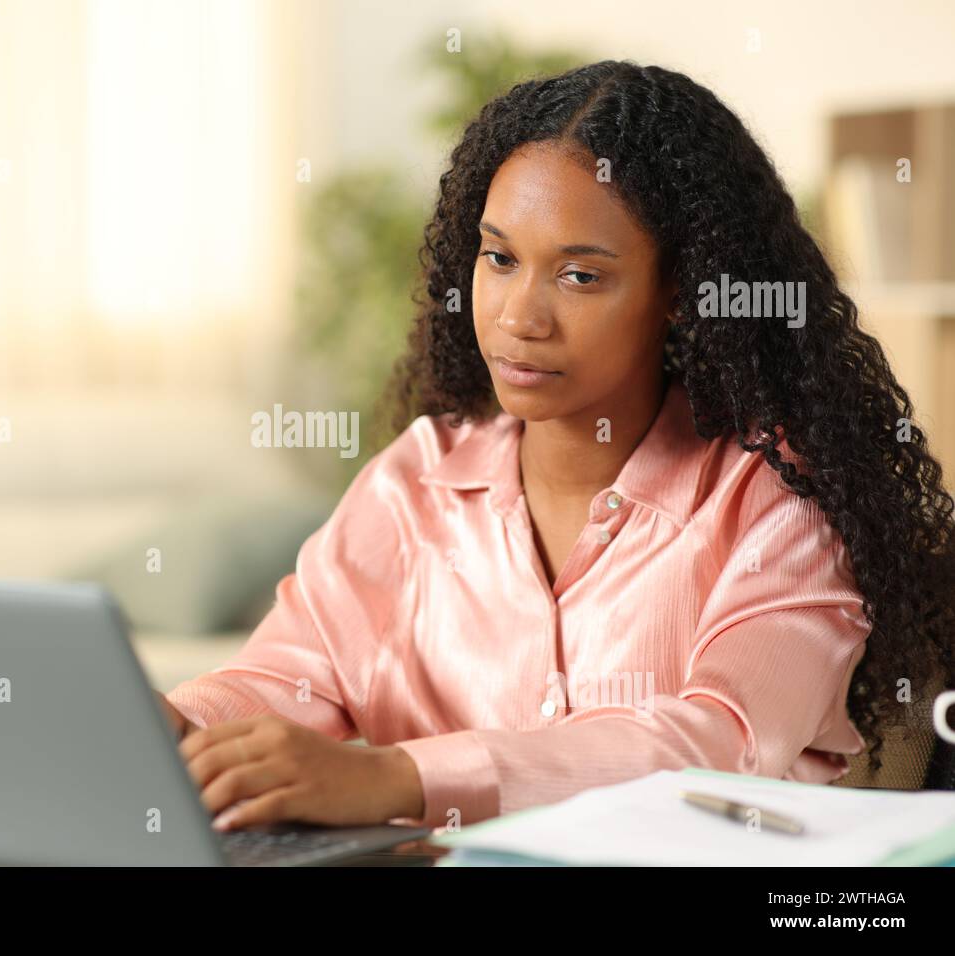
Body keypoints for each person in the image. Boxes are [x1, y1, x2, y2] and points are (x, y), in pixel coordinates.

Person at [158, 60, 955, 832]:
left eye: (580, 276)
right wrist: (170, 727)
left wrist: (397, 777)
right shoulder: (416, 482)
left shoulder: (774, 497)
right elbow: (284, 677)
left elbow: (719, 748)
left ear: (680, 295)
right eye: (500, 259)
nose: (518, 317)